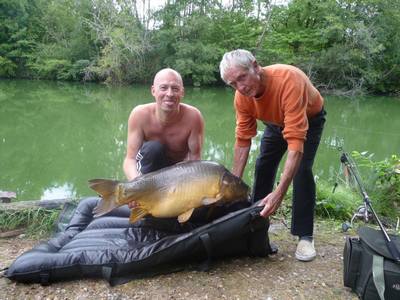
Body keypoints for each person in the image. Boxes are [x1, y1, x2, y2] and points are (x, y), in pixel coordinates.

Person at [219, 49, 326, 261]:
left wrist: (280, 192)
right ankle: (255, 225)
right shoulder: (241, 97)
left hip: (309, 119)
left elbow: (295, 141)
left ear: (255, 66)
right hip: (275, 122)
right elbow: (243, 140)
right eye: (233, 84)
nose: (240, 87)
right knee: (263, 165)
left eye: (242, 77)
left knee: (302, 170)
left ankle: (305, 236)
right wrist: (234, 184)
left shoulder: (288, 80)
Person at [123, 68, 204, 181]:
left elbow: (195, 160)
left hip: (178, 174)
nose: (169, 94)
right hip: (147, 174)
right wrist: (135, 183)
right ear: (153, 91)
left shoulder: (194, 117)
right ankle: (140, 191)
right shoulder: (139, 115)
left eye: (175, 89)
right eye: (163, 88)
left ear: (182, 92)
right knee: (154, 148)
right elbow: (130, 159)